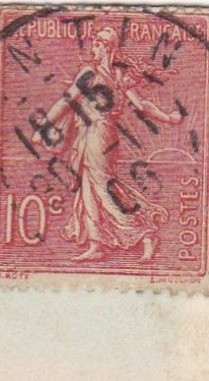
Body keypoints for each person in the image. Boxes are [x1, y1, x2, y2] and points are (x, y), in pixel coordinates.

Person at [38, 24, 184, 263]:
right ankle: (97, 245)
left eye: (97, 43)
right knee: (89, 188)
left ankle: (145, 232)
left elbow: (142, 105)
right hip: (88, 135)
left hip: (101, 135)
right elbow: (67, 101)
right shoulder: (94, 74)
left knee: (104, 188)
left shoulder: (113, 76)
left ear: (107, 48)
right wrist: (47, 123)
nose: (93, 47)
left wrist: (167, 117)